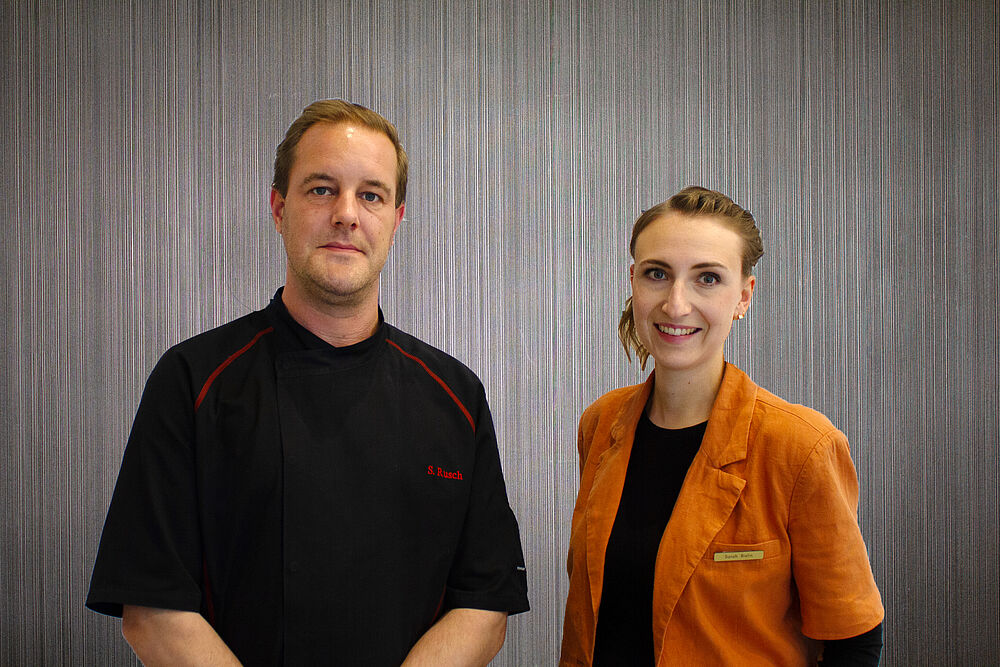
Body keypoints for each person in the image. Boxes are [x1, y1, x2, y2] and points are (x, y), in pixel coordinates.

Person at [87, 100, 529, 666]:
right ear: (278, 208)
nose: (347, 214)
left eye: (371, 195)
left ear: (396, 221)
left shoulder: (456, 396)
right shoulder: (193, 381)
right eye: (322, 189)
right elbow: (151, 609)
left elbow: (485, 603)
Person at [560, 187, 884, 666]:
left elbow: (853, 642)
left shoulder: (800, 446)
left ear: (743, 296)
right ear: (633, 281)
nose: (676, 304)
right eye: (657, 274)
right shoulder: (601, 422)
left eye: (707, 278)